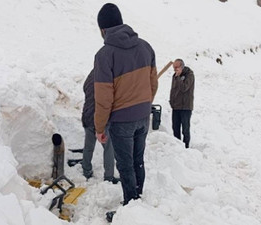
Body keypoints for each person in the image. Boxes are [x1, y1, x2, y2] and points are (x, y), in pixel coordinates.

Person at [93, 3, 158, 208]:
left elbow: (104, 98)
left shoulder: (104, 55)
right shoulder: (146, 46)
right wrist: (144, 104)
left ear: (103, 29)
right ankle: (138, 200)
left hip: (122, 121)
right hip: (142, 116)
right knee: (138, 160)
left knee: (125, 165)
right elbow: (153, 83)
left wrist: (100, 127)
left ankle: (132, 207)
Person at [81, 69, 119, 184]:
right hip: (101, 118)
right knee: (108, 148)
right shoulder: (106, 77)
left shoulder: (90, 76)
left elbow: (85, 89)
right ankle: (109, 176)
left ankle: (86, 171)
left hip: (87, 116)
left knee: (88, 146)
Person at [169, 59, 195, 148]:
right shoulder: (175, 76)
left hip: (185, 107)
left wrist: (179, 77)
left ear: (182, 67)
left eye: (176, 67)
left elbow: (184, 88)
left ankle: (186, 146)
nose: (175, 69)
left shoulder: (189, 75)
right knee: (175, 128)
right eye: (174, 67)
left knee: (185, 129)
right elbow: (173, 90)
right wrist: (171, 101)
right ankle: (177, 146)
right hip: (176, 107)